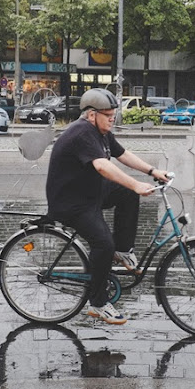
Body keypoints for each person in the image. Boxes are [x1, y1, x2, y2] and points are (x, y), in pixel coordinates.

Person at [45, 88, 170, 325]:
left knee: (126, 195)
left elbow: (122, 155)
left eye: (114, 114)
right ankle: (98, 303)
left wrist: (153, 171)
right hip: (71, 202)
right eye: (109, 115)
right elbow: (102, 166)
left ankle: (122, 250)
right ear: (92, 115)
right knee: (103, 243)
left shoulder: (101, 132)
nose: (113, 118)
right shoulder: (82, 133)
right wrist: (135, 183)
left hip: (89, 192)